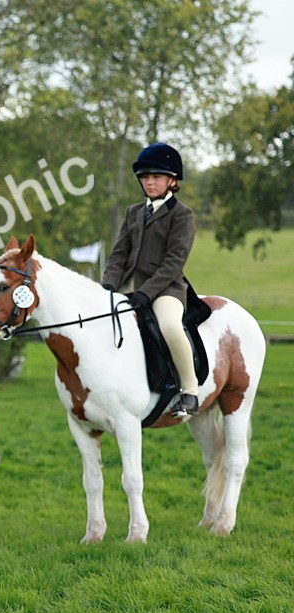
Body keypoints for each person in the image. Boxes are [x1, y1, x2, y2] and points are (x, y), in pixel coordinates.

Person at [101, 142, 199, 417]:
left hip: (166, 288)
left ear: (172, 180)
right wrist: (107, 285)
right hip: (128, 286)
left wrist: (147, 292)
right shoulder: (134, 212)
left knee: (169, 326)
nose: (149, 182)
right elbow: (119, 253)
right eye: (145, 177)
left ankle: (190, 390)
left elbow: (174, 262)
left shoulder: (182, 215)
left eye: (156, 177)